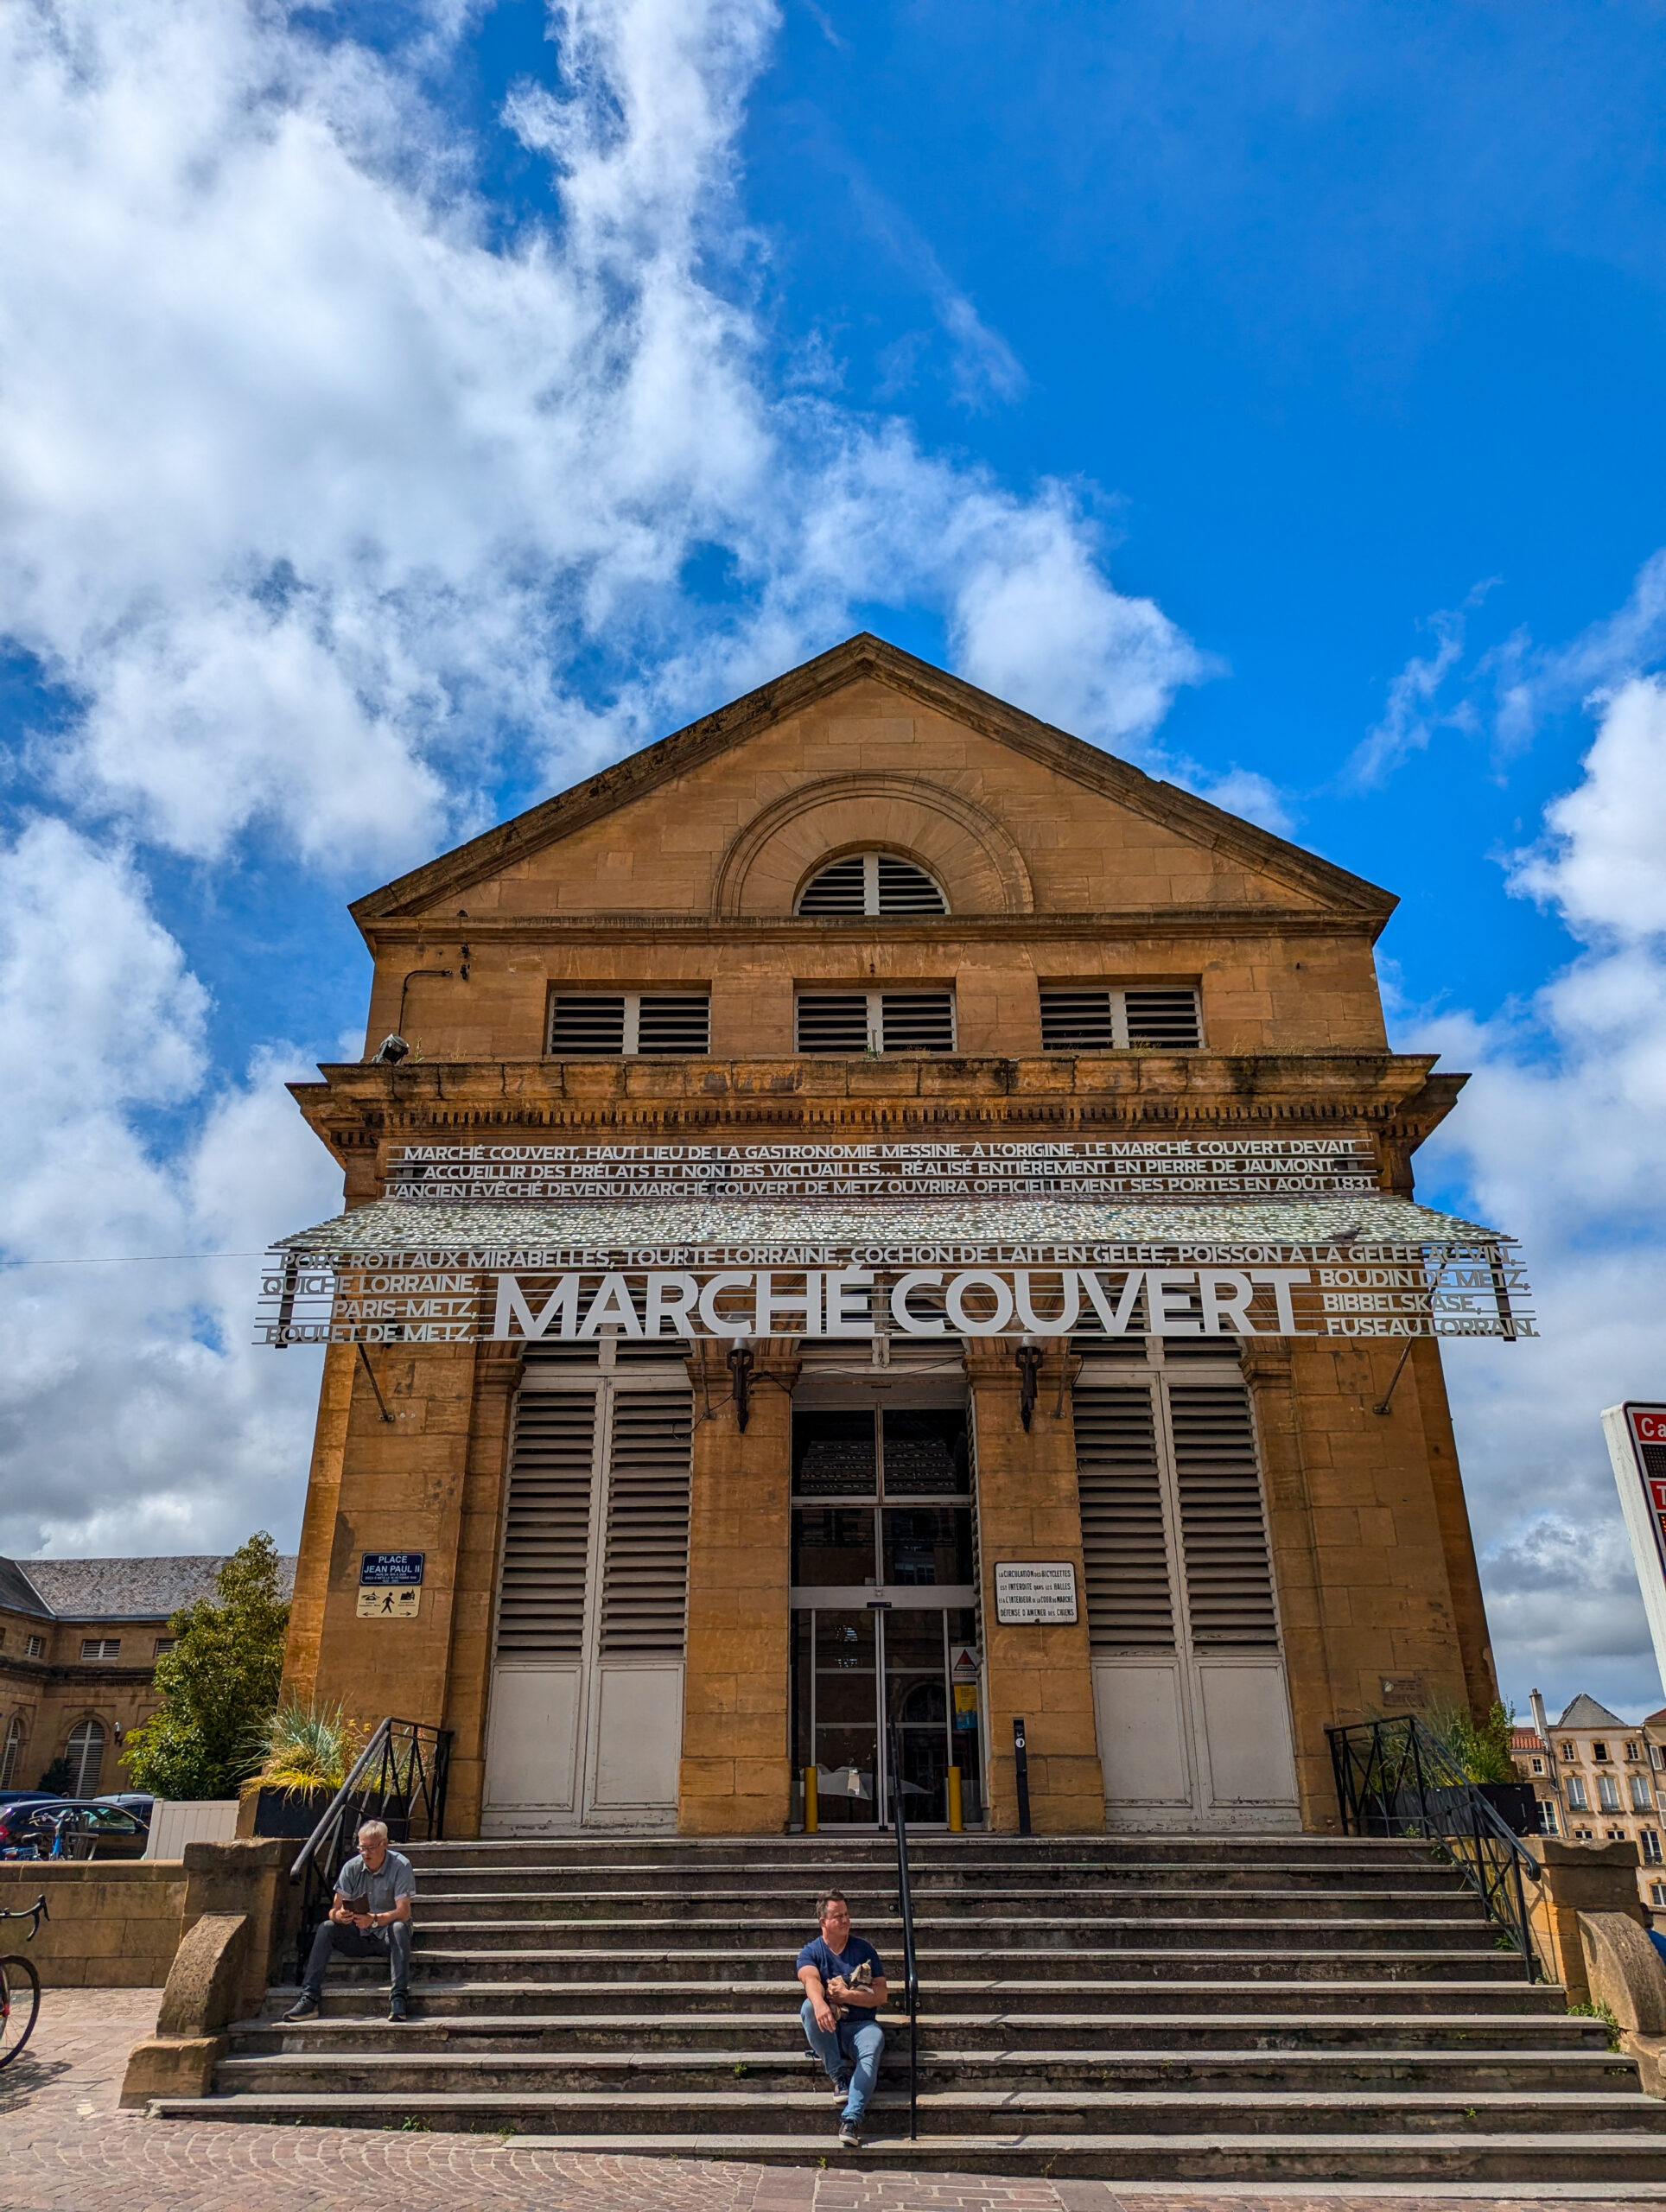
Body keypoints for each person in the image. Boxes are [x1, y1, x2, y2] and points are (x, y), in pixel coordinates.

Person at [283, 1818, 415, 2023]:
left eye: (371, 1848)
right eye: (362, 1847)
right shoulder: (351, 1867)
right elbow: (333, 1910)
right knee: (327, 1927)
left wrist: (374, 1920)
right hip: (357, 1935)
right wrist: (340, 1916)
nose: (366, 1853)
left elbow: (403, 1912)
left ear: (385, 1844)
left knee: (399, 1928)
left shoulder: (401, 1865)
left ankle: (398, 1998)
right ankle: (309, 1997)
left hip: (386, 1938)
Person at [796, 1887, 887, 2148]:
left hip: (861, 2025)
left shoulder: (863, 1950)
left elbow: (881, 1994)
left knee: (873, 2043)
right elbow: (809, 1978)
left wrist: (846, 1996)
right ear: (823, 1922)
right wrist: (820, 2002)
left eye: (847, 1914)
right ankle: (839, 2075)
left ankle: (851, 2118)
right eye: (838, 1916)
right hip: (830, 2027)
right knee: (808, 2008)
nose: (845, 1920)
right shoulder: (811, 1951)